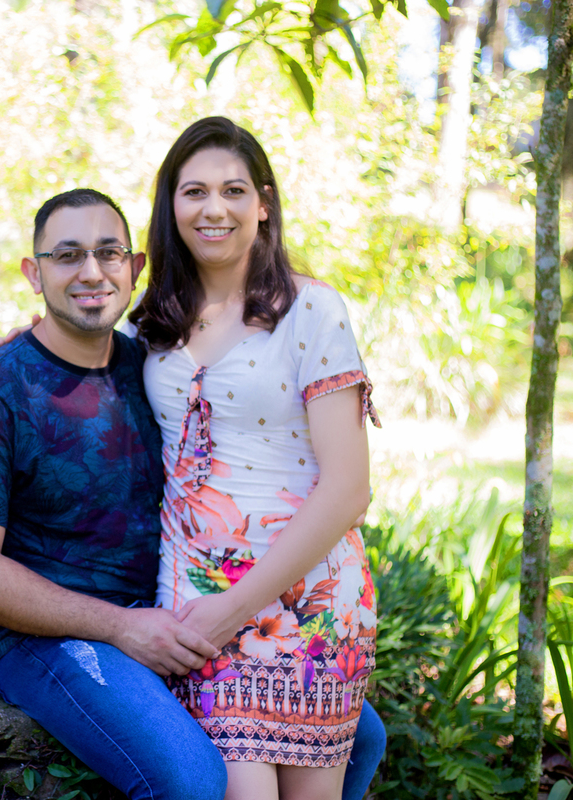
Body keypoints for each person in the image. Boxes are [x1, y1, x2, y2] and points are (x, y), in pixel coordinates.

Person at [0, 185, 385, 800]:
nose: (91, 272)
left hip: (169, 612)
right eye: (66, 256)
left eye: (109, 253)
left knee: (361, 735)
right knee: (193, 780)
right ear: (33, 274)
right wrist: (121, 627)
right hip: (46, 638)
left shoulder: (151, 363)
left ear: (135, 268)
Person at [128, 116, 382, 800]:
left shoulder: (313, 312)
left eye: (233, 190)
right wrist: (25, 343)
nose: (214, 208)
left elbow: (348, 488)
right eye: (194, 192)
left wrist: (235, 607)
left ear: (263, 203)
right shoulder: (152, 319)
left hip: (314, 602)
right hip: (194, 606)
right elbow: (76, 343)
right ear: (171, 205)